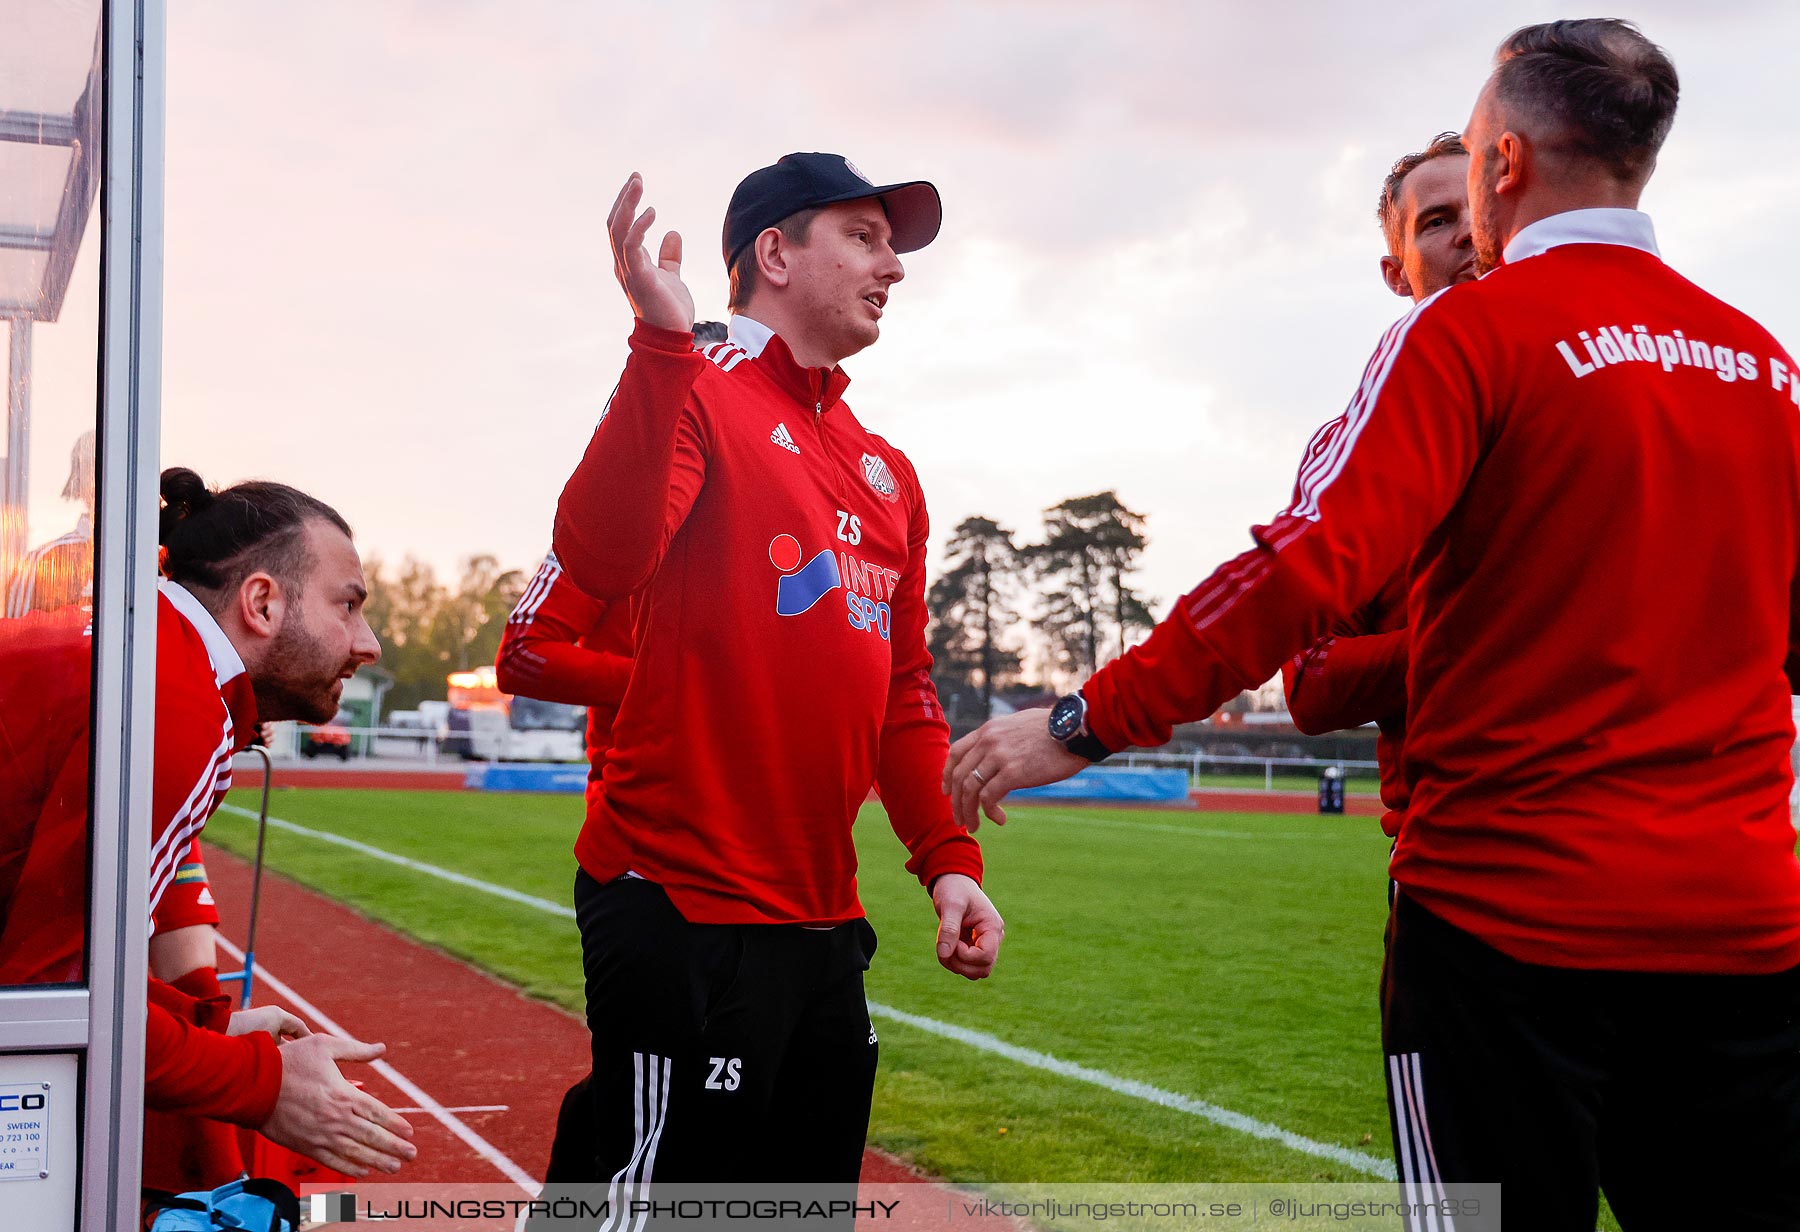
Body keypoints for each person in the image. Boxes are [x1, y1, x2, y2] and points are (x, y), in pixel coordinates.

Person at [946, 20, 1800, 1230]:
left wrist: (1086, 720)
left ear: (1505, 164)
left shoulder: (1468, 338)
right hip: (1744, 931)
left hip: (1513, 931)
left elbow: (1300, 570)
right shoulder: (1765, 362)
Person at [543, 155, 1004, 1191]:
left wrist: (948, 858)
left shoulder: (886, 468)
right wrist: (660, 343)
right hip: (682, 898)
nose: (894, 265)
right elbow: (604, 558)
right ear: (775, 252)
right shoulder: (695, 388)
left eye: (894, 244)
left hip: (822, 918)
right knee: (643, 1204)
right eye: (866, 236)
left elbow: (901, 687)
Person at [0, 467, 418, 1181]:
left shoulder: (152, 657)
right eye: (347, 606)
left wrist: (210, 1028)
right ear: (261, 601)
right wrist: (265, 1083)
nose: (368, 642)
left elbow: (66, 974)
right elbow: (58, 1004)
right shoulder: (173, 704)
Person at [1281, 133, 1475, 829]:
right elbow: (1310, 685)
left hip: (1678, 854)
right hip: (1454, 859)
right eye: (1438, 220)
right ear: (1398, 274)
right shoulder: (1353, 449)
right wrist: (1486, 636)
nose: (1470, 236)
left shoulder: (1627, 388)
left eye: (1484, 210)